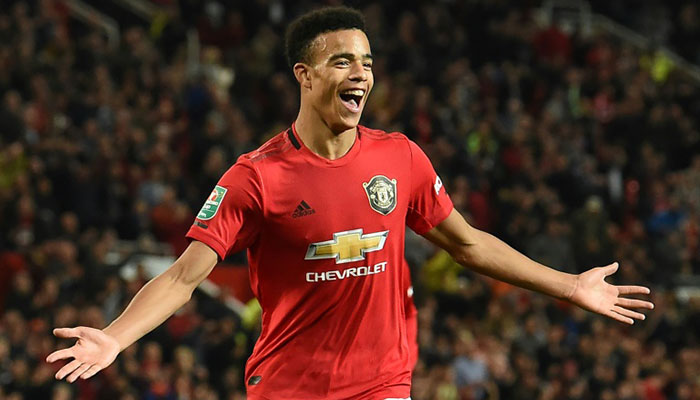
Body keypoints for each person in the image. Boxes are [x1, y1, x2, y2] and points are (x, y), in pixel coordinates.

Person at [46, 7, 654, 400]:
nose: (360, 73)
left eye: (366, 61)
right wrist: (115, 339)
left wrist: (570, 286)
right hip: (290, 386)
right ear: (305, 75)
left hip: (382, 383)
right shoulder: (256, 177)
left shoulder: (400, 157)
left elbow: (468, 244)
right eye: (342, 61)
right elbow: (185, 276)